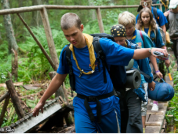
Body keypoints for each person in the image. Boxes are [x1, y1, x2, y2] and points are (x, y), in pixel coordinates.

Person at [32, 13, 168, 133]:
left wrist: (151, 50)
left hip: (107, 103)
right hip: (82, 104)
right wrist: (42, 101)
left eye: (74, 34)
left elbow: (132, 53)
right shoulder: (67, 52)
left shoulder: (102, 45)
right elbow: (58, 78)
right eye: (67, 36)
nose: (71, 39)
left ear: (81, 28)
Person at [110, 24, 155, 133]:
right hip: (116, 91)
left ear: (125, 37)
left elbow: (145, 66)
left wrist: (150, 81)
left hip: (134, 89)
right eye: (115, 41)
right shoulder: (109, 51)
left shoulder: (134, 49)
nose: (118, 44)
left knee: (134, 118)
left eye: (121, 40)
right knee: (122, 118)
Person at [167, 0, 178, 71]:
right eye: (172, 8)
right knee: (175, 54)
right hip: (171, 37)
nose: (173, 9)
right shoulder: (168, 14)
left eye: (175, 8)